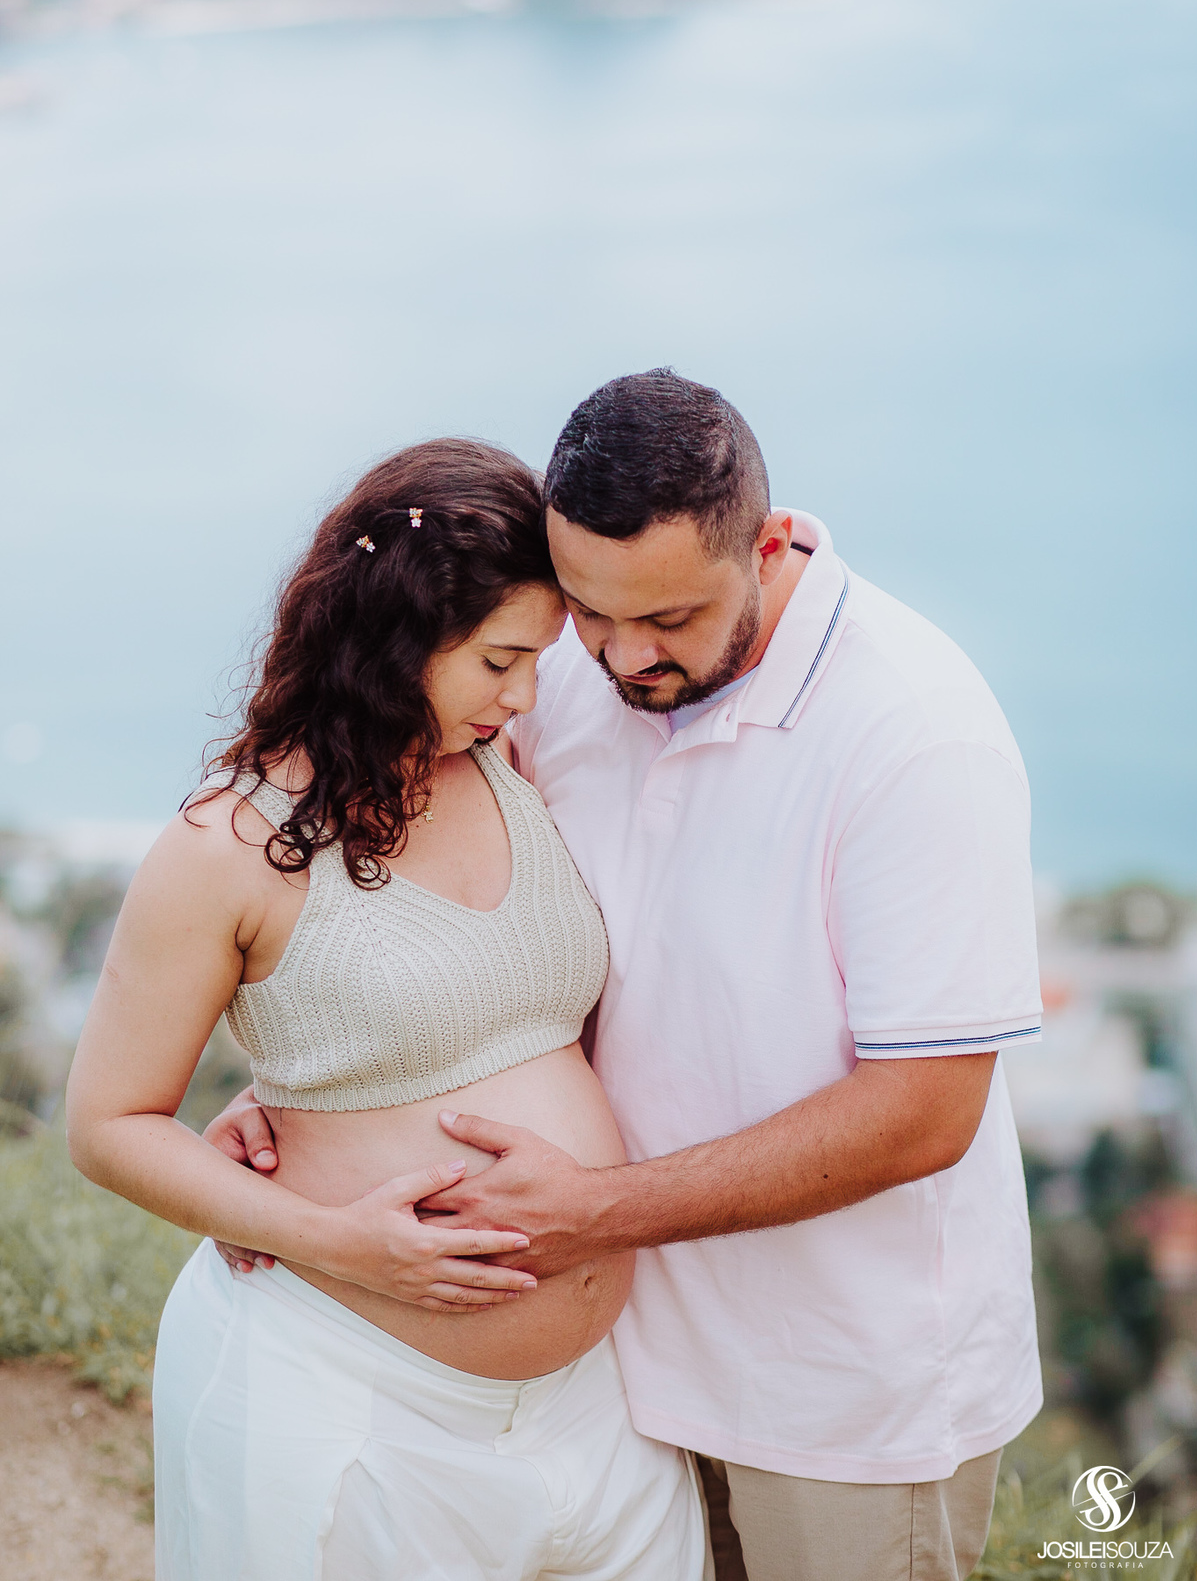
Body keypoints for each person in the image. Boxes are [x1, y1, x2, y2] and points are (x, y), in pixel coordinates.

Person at [210, 370, 1045, 1581]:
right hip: (624, 1381)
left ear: (765, 542)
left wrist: (590, 1211)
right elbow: (511, 946)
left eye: (670, 618)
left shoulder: (915, 727)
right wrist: (325, 1095)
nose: (625, 654)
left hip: (847, 1397)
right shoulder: (571, 686)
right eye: (590, 611)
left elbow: (923, 1112)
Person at [65, 438, 708, 1581]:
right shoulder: (227, 845)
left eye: (538, 659)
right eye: (501, 657)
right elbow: (109, 1121)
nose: (525, 692)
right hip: (344, 1394)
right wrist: (335, 1237)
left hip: (596, 1408)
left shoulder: (512, 760)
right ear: (397, 634)